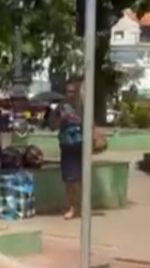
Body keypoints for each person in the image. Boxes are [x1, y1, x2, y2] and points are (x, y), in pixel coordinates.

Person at [55, 77, 85, 220]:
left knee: (82, 178)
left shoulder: (83, 106)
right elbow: (51, 125)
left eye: (73, 91)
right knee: (69, 179)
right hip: (67, 144)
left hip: (82, 144)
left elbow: (91, 124)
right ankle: (72, 207)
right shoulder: (61, 107)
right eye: (68, 92)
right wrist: (61, 120)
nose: (71, 94)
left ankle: (82, 206)